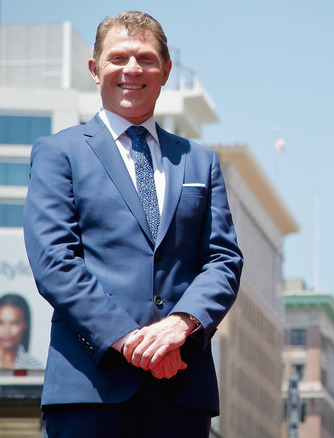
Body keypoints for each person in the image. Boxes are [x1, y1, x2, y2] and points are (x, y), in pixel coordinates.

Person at [22, 11, 243, 437]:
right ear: (94, 69)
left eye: (145, 59)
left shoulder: (200, 161)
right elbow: (54, 262)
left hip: (180, 389)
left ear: (165, 72)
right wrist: (131, 341)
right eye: (118, 58)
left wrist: (181, 324)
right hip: (90, 388)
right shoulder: (58, 153)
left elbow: (224, 260)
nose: (132, 70)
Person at [0, 293, 44, 369]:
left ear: (26, 324)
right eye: (1, 323)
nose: (7, 331)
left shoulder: (35, 367)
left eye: (14, 323)